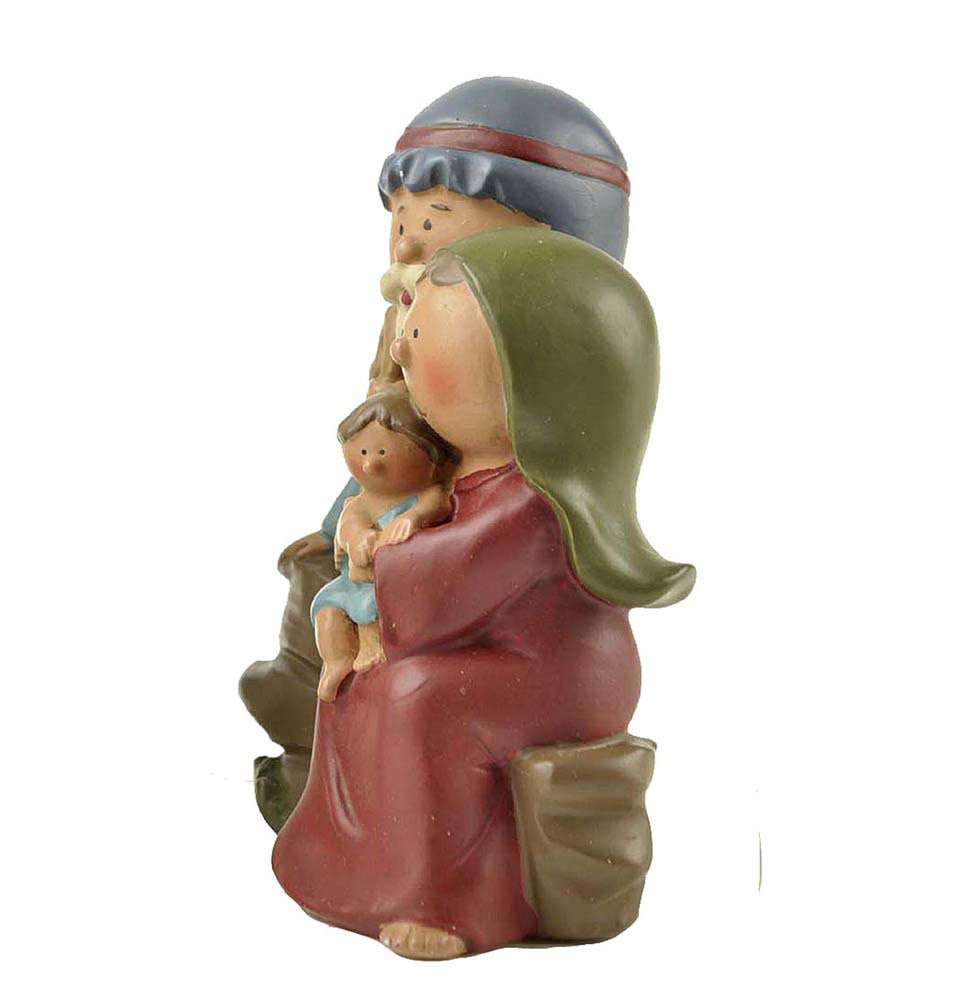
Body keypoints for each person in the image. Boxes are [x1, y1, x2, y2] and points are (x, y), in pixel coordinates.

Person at [271, 228, 695, 959]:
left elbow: (436, 599)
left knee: (421, 696)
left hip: (555, 675)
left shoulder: (531, 502)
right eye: (407, 333)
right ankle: (341, 864)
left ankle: (451, 902)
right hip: (501, 658)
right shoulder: (465, 473)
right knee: (358, 681)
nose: (400, 351)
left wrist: (383, 560)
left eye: (422, 340)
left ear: (524, 381)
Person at [240, 77, 634, 832]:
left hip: (486, 610)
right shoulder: (408, 325)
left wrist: (399, 549)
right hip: (396, 529)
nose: (408, 243)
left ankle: (343, 778)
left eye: (434, 219)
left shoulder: (545, 406)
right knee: (315, 577)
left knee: (402, 671)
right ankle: (305, 736)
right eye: (399, 221)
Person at [311, 390, 458, 701]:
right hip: (353, 582)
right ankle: (337, 659)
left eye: (381, 452)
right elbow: (349, 525)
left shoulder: (425, 494)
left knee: (374, 609)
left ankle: (371, 647)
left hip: (391, 585)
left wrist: (414, 517)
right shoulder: (360, 502)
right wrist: (357, 538)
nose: (370, 464)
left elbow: (437, 505)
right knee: (326, 608)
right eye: (363, 452)